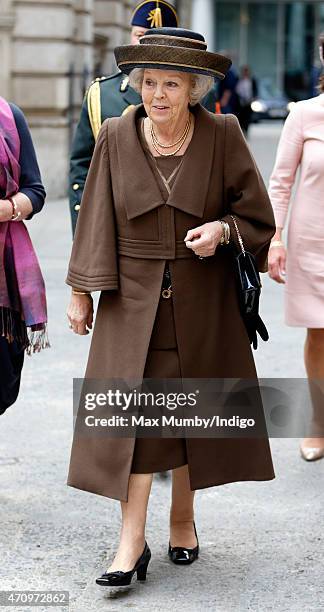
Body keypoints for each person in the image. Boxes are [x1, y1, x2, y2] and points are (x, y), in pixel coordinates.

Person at [66, 27, 276, 589]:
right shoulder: (115, 134)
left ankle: (183, 521)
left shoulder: (223, 133)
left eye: (172, 84)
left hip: (202, 300)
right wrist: (82, 289)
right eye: (150, 82)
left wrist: (222, 231)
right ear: (136, 85)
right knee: (132, 421)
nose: (158, 94)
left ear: (195, 89)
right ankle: (130, 541)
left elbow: (256, 218)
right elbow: (96, 216)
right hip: (131, 302)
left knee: (190, 413)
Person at [69, 0, 179, 235]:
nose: (143, 44)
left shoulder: (193, 96)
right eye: (139, 35)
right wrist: (83, 232)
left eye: (153, 37)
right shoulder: (101, 95)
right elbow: (82, 168)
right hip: (113, 224)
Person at [268, 32, 324, 462]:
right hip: (312, 244)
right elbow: (280, 182)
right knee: (319, 334)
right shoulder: (305, 115)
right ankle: (318, 421)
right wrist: (275, 236)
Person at [0, 97, 48, 415]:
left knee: (2, 384)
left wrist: (8, 208)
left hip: (3, 270)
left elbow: (35, 190)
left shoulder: (10, 118)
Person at [235, 65, 258, 136]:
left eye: (247, 71)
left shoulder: (252, 80)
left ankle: (246, 131)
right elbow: (236, 90)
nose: (245, 72)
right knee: (240, 117)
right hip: (240, 103)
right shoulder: (239, 80)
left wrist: (254, 98)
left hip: (249, 102)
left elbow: (255, 90)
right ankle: (241, 131)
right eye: (244, 71)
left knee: (248, 117)